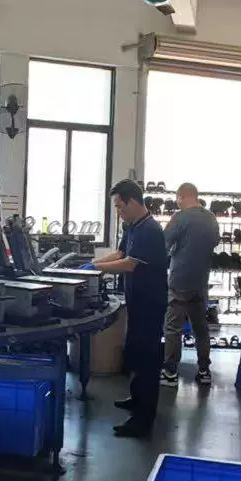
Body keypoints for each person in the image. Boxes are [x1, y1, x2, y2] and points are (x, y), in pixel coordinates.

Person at [92, 179, 168, 438]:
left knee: (147, 359)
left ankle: (143, 420)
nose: (118, 211)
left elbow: (129, 264)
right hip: (137, 301)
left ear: (133, 201)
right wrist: (92, 264)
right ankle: (137, 399)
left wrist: (96, 269)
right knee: (135, 352)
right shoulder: (134, 226)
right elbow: (120, 254)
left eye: (119, 206)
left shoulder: (150, 230)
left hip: (150, 304)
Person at [160, 182, 220, 387]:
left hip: (179, 280)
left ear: (182, 197)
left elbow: (164, 243)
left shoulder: (180, 217)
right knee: (201, 328)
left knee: (173, 328)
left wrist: (175, 249)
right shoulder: (211, 218)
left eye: (178, 199)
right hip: (201, 281)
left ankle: (170, 373)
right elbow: (214, 242)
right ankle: (204, 371)